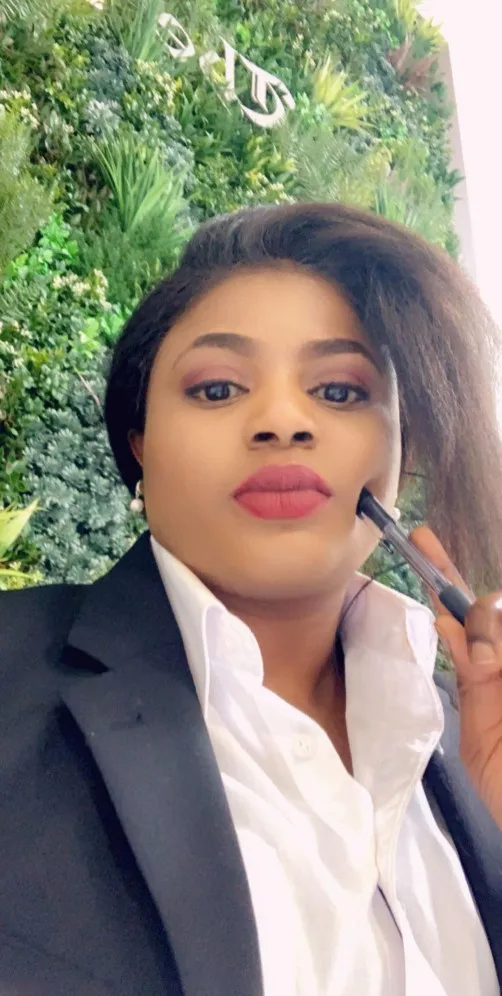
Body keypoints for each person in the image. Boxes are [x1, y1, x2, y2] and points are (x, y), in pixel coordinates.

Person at [1, 202, 502, 996]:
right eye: (217, 388)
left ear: (400, 454)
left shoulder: (473, 734)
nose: (282, 421)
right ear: (139, 442)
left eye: (339, 390)